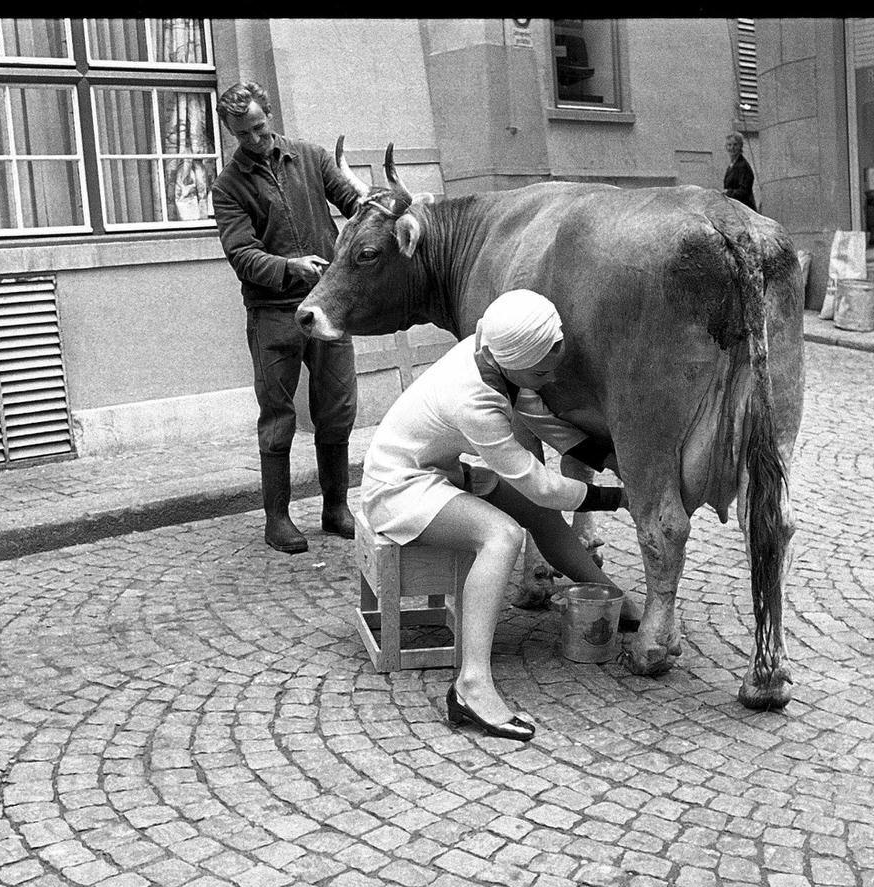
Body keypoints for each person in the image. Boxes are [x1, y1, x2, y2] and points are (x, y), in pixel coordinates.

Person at [360, 289, 642, 743]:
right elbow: (544, 485)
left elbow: (546, 423)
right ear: (514, 361)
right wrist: (619, 498)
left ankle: (615, 601)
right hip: (398, 489)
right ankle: (471, 685)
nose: (550, 381)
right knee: (502, 535)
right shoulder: (473, 398)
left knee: (539, 518)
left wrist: (614, 459)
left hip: (439, 472)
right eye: (541, 372)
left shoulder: (494, 352)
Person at [212, 80, 362, 554]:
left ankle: (335, 508)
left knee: (336, 409)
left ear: (270, 116)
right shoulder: (227, 186)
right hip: (273, 313)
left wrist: (373, 207)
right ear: (231, 132)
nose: (254, 140)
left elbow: (355, 206)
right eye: (242, 135)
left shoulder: (312, 158)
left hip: (328, 306)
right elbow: (240, 253)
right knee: (278, 416)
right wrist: (287, 268)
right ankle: (276, 519)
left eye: (258, 128)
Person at [723, 132, 757, 211]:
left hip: (745, 207)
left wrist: (728, 193)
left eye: (735, 145)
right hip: (734, 206)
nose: (732, 148)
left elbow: (744, 191)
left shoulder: (743, 166)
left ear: (740, 146)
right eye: (729, 145)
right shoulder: (731, 166)